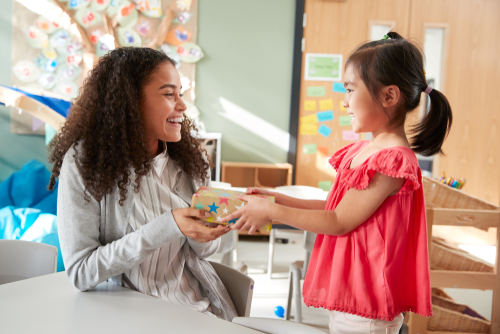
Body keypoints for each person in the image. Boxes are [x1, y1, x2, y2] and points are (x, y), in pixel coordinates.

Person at [222, 32, 452, 333]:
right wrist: (275, 198)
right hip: (352, 293)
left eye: (350, 90)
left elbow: (339, 221)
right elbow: (334, 207)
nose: (344, 102)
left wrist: (272, 212)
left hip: (368, 305)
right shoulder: (366, 150)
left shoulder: (393, 161)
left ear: (389, 96)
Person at [48, 47, 237, 320]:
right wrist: (169, 225)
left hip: (192, 312)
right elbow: (81, 272)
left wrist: (203, 234)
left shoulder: (191, 162)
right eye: (169, 94)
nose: (181, 105)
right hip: (121, 318)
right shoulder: (85, 162)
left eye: (180, 93)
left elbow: (204, 254)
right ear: (130, 101)